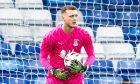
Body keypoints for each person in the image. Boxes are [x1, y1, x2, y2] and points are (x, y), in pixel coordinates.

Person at [40, 5, 95, 84]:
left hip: (76, 79)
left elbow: (92, 55)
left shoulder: (84, 34)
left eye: (76, 16)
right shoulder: (51, 36)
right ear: (63, 17)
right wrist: (53, 71)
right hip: (56, 78)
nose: (75, 19)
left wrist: (85, 67)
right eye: (71, 16)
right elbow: (43, 57)